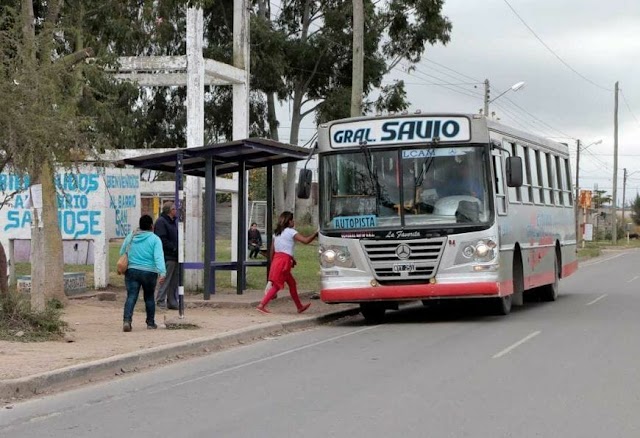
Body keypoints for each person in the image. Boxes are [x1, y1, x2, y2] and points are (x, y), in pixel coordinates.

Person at [256, 211, 318, 314]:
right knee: (277, 285)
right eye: (292, 220)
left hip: (277, 259)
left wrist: (274, 263)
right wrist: (316, 233)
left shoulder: (276, 233)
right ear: (289, 222)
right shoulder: (291, 232)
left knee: (292, 283)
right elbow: (306, 241)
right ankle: (262, 305)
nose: (294, 222)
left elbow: (273, 250)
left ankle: (299, 306)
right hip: (284, 262)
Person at [121, 215, 166, 332]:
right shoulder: (155, 239)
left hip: (132, 271)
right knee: (149, 297)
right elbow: (158, 257)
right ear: (152, 226)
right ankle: (150, 323)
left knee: (131, 296)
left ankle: (127, 321)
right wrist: (162, 272)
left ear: (140, 225)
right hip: (149, 272)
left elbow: (122, 252)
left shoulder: (131, 236)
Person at [154, 201, 179, 310]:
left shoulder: (172, 222)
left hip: (175, 255)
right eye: (174, 209)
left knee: (174, 280)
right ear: (169, 211)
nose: (176, 211)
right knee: (165, 279)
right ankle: (160, 300)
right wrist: (173, 247)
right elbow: (161, 239)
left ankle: (172, 301)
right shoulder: (161, 222)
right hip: (167, 255)